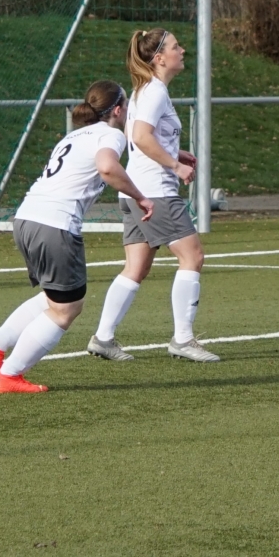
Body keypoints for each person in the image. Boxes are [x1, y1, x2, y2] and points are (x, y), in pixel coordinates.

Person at [0, 81, 156, 393]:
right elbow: (108, 168)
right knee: (68, 308)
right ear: (117, 110)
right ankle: (10, 375)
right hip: (54, 224)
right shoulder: (110, 134)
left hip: (27, 218)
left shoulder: (76, 135)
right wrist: (141, 197)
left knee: (54, 297)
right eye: (126, 106)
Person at [85, 28, 214, 363]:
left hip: (136, 191)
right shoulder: (154, 91)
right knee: (193, 257)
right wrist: (174, 164)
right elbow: (141, 137)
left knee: (136, 267)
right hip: (155, 192)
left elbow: (140, 135)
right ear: (159, 58)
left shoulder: (146, 91)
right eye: (175, 46)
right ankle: (183, 340)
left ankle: (103, 337)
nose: (182, 50)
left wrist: (176, 151)